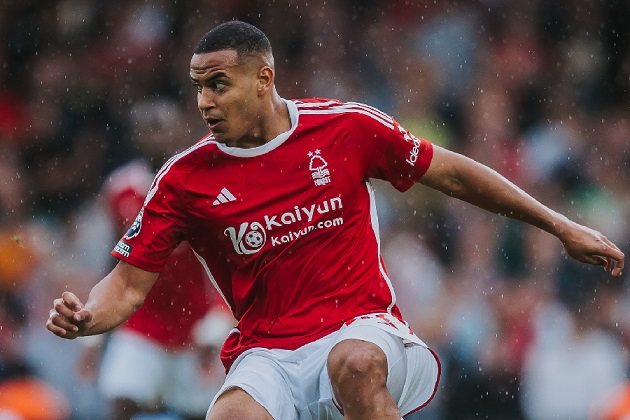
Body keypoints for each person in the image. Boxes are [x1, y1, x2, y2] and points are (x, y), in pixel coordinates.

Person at [46, 21, 624, 420]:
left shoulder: (345, 128)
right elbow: (127, 284)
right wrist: (87, 316)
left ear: (264, 79)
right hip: (268, 351)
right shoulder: (183, 178)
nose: (204, 102)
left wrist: (559, 226)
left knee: (355, 364)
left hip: (362, 326)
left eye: (219, 84)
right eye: (199, 88)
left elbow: (451, 173)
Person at [78, 99, 233, 420]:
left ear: (177, 131)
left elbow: (224, 258)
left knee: (201, 412)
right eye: (147, 129)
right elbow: (114, 257)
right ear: (136, 136)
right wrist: (97, 315)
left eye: (160, 128)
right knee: (122, 400)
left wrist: (220, 316)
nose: (154, 137)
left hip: (193, 323)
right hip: (141, 320)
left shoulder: (202, 184)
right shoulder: (120, 189)